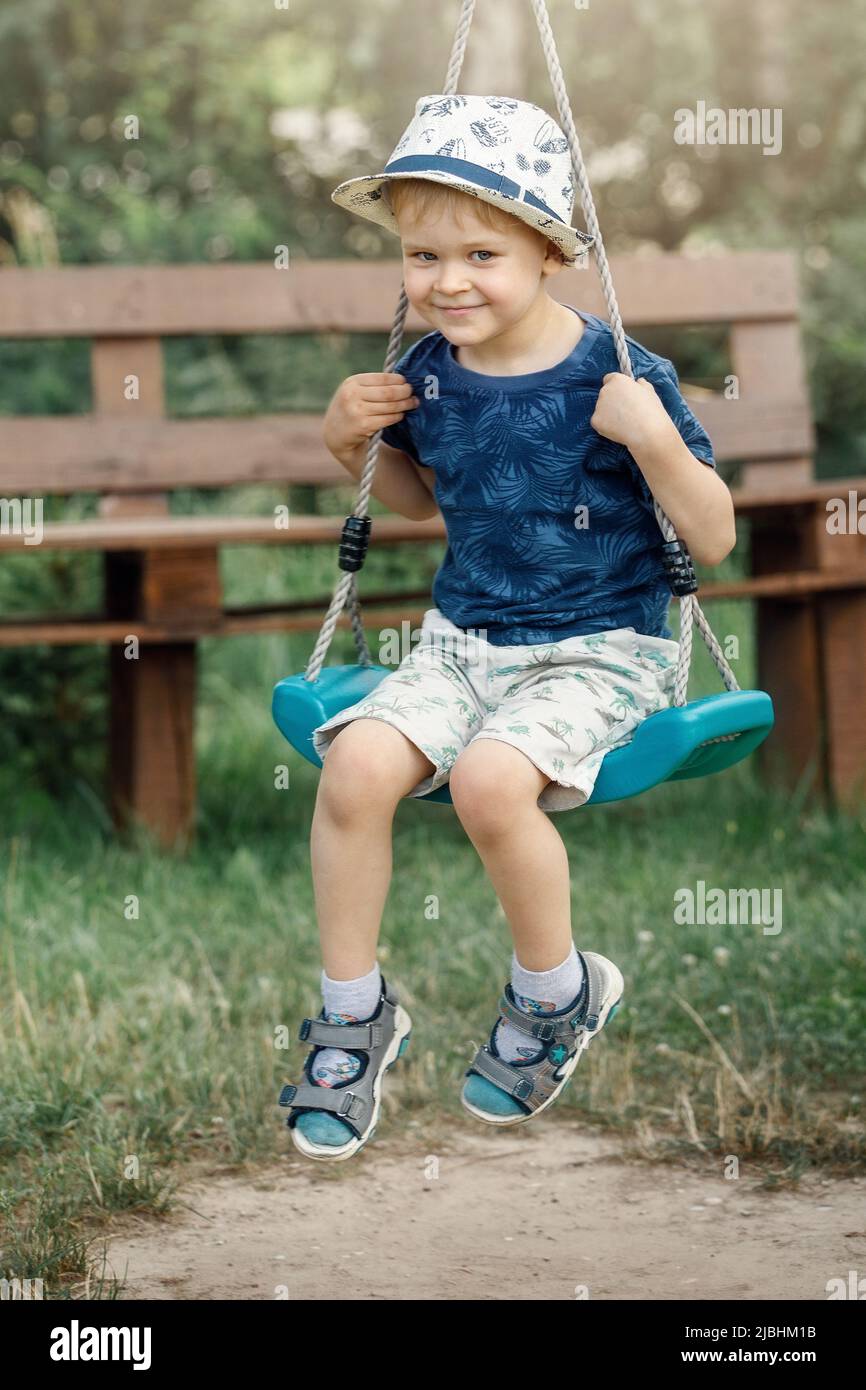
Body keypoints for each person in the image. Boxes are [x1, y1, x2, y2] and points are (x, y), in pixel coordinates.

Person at [278, 94, 736, 1161]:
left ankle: (555, 994)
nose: (445, 280)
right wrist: (347, 440)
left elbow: (708, 534)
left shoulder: (619, 375)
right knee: (348, 773)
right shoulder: (428, 372)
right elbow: (419, 502)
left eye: (479, 251)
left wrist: (652, 439)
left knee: (490, 782)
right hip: (462, 644)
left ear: (547, 250)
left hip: (601, 650)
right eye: (421, 254)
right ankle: (352, 1014)